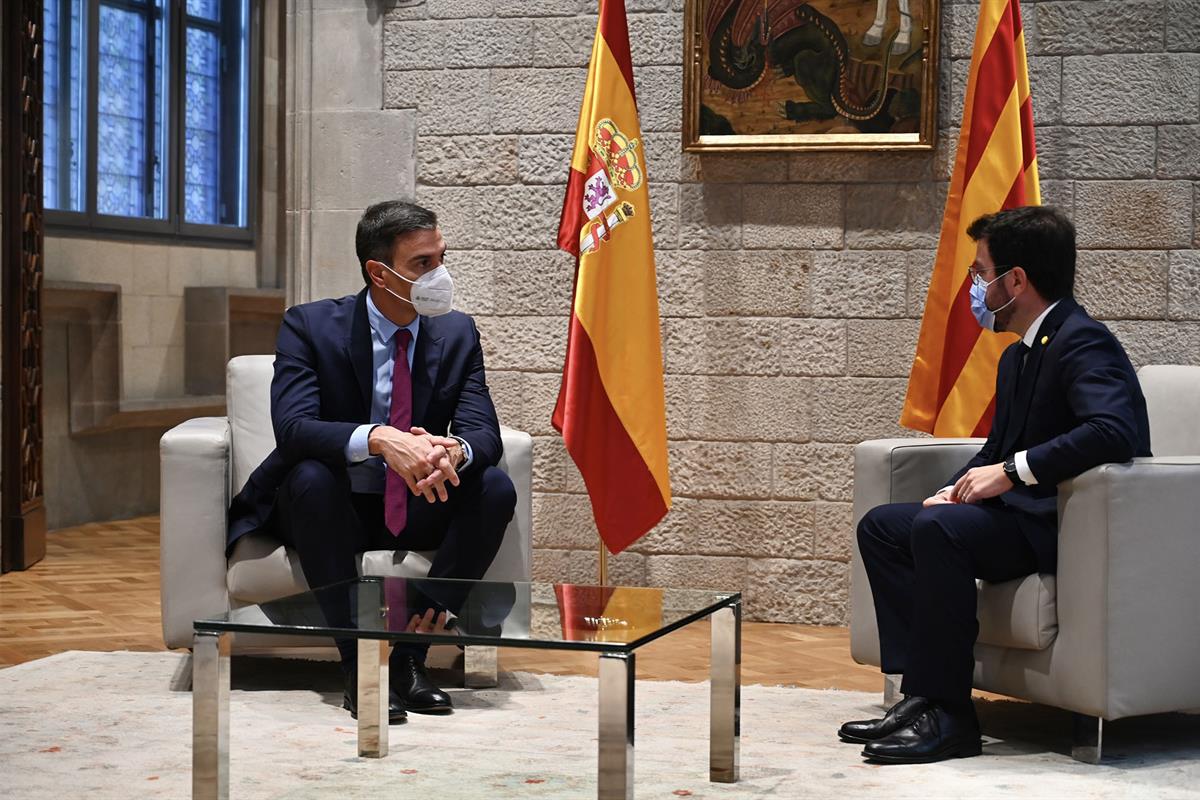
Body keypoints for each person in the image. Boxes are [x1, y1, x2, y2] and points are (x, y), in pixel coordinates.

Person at [843, 205, 1151, 764]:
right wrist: (954, 488)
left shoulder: (1084, 342)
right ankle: (922, 695)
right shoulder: (1017, 356)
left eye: (981, 272)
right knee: (886, 526)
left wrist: (1011, 473)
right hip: (1016, 519)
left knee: (940, 531)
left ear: (1016, 280)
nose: (976, 287)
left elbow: (1112, 431)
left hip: (1063, 525)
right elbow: (994, 450)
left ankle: (952, 718)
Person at [227, 200, 516, 723]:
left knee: (493, 486)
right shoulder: (310, 326)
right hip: (332, 506)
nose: (440, 274)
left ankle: (409, 657)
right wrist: (381, 439)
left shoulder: (456, 332)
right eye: (422, 264)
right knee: (311, 477)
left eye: (441, 258)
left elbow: (484, 432)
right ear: (379, 273)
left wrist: (456, 450)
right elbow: (294, 429)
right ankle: (357, 662)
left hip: (416, 498)